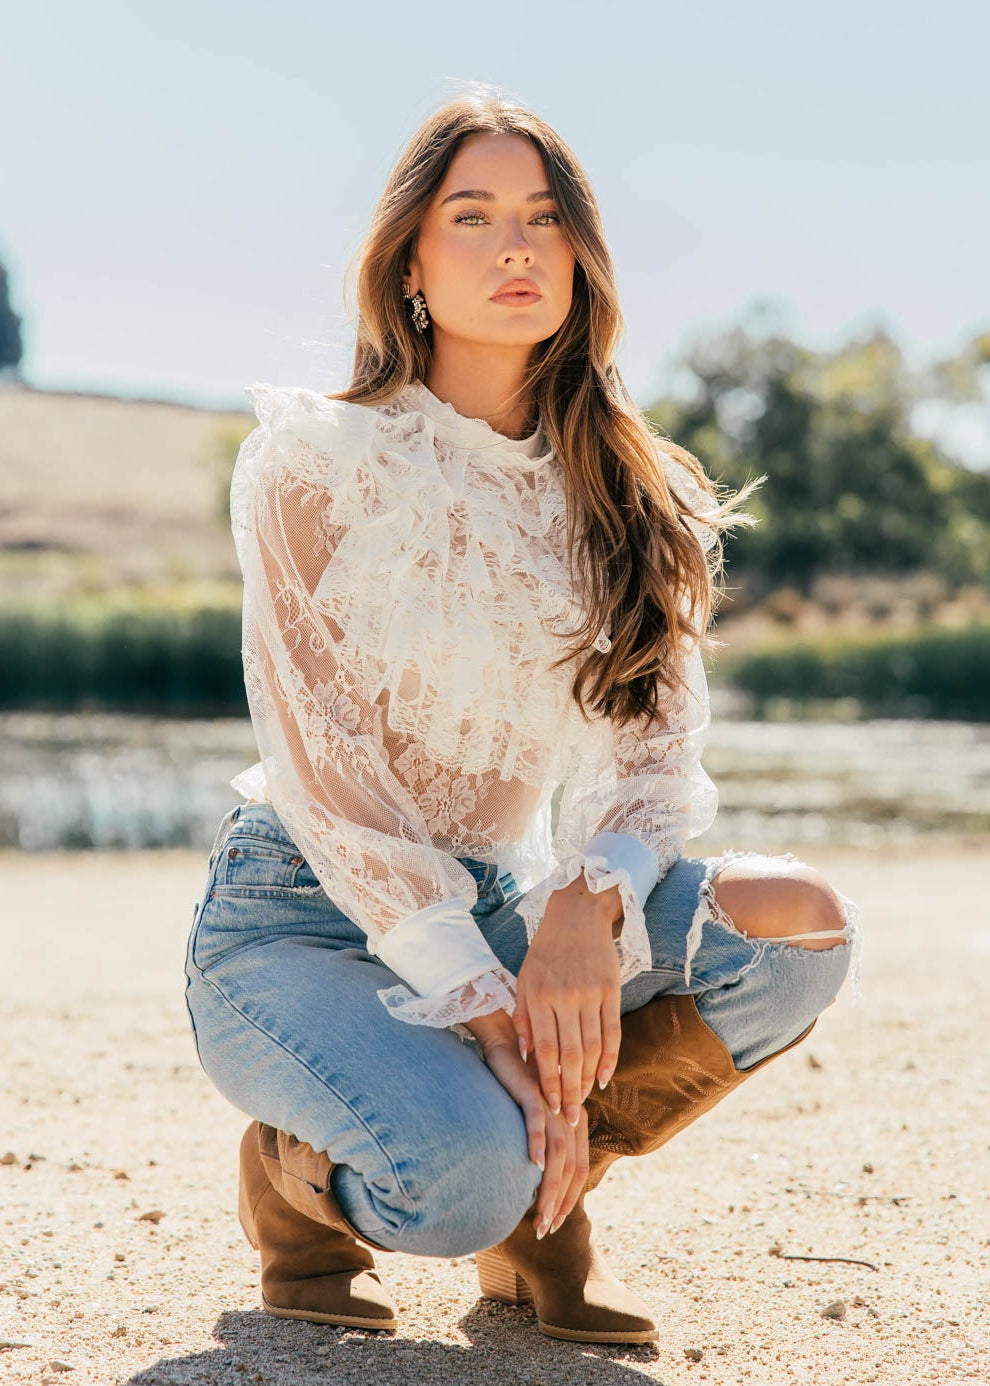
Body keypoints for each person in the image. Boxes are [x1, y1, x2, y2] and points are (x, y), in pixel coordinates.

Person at [182, 88, 862, 1345]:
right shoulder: (316, 461)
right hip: (304, 917)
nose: (515, 249)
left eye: (545, 220)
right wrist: (488, 1005)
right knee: (453, 1183)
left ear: (581, 258)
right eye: (474, 215)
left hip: (512, 899)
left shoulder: (631, 487)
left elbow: (654, 767)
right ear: (410, 263)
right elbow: (326, 773)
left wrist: (581, 905)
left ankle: (539, 1180)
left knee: (797, 928)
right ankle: (306, 1181)